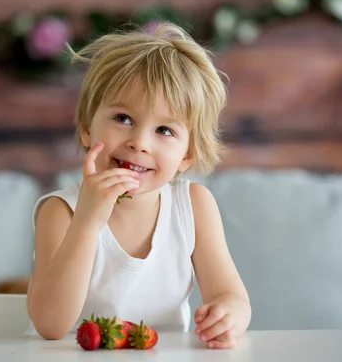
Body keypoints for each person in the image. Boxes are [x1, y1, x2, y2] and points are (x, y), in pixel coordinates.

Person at [25, 22, 251, 349]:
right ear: (88, 127)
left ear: (186, 156)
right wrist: (87, 221)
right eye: (123, 119)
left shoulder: (195, 206)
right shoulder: (61, 211)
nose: (140, 143)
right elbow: (49, 325)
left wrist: (228, 314)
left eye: (164, 130)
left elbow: (231, 296)